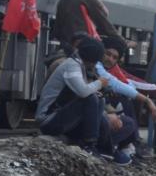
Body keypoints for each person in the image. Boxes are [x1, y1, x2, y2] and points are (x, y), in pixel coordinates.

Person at [35, 37, 131, 165]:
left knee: (99, 99)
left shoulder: (79, 65)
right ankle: (89, 145)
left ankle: (106, 148)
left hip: (61, 116)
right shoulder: (71, 65)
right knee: (91, 98)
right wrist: (99, 83)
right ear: (91, 59)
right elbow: (83, 92)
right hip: (48, 120)